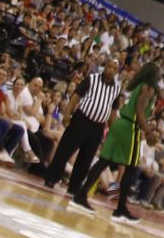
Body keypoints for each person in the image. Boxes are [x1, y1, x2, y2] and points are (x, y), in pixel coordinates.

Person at [75, 60, 160, 221]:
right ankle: (121, 209)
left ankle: (81, 195)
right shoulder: (148, 88)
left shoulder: (138, 85)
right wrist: (148, 132)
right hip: (130, 128)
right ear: (154, 75)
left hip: (120, 124)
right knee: (131, 168)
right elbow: (140, 110)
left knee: (104, 162)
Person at [45, 57, 122, 192]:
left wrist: (113, 132)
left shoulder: (116, 88)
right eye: (109, 67)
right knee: (65, 150)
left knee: (86, 159)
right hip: (81, 120)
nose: (111, 70)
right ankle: (52, 177)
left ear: (117, 72)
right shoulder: (91, 79)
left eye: (114, 69)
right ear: (105, 67)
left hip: (98, 127)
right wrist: (67, 113)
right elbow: (76, 96)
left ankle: (74, 186)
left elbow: (113, 111)